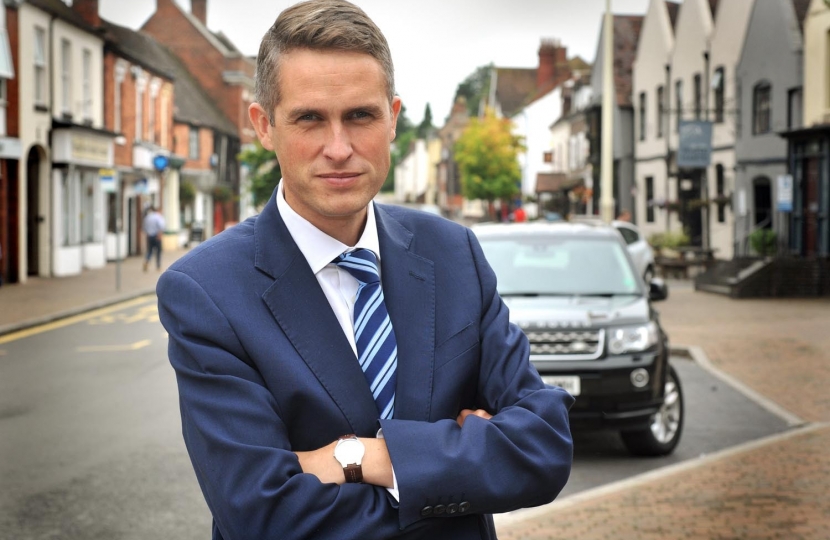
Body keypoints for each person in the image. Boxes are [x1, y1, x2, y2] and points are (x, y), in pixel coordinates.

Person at [156, 2, 573, 539]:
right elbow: (263, 514)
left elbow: (543, 447)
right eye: (309, 118)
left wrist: (362, 458)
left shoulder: (454, 255)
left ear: (393, 118)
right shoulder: (205, 291)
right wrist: (459, 471)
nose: (339, 148)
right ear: (264, 125)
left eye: (360, 116)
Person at [142, 205, 165, 272]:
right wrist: (160, 235)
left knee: (150, 251)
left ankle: (147, 261)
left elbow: (144, 228)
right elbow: (161, 226)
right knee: (158, 251)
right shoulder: (158, 217)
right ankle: (158, 266)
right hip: (157, 236)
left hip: (149, 236)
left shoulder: (147, 217)